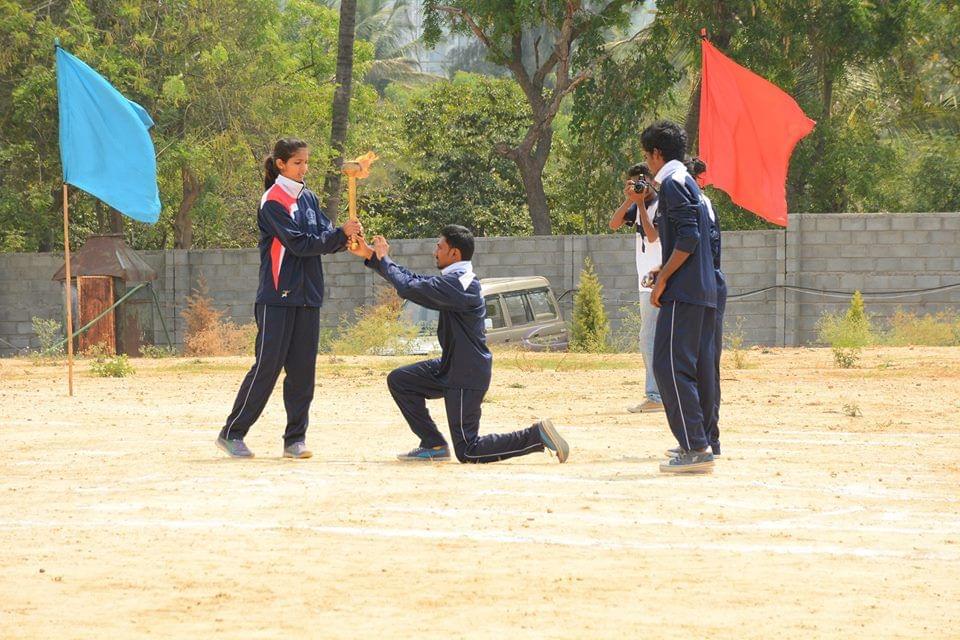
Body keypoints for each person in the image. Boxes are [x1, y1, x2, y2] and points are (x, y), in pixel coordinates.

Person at [347, 225, 570, 464]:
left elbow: (409, 287)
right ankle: (433, 443)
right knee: (401, 381)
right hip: (451, 367)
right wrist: (372, 255)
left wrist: (384, 258)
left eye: (439, 247)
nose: (435, 251)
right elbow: (415, 281)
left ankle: (536, 435)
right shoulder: (454, 280)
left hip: (466, 374)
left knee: (468, 450)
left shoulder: (461, 285)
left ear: (454, 253)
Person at [216, 138, 362, 459]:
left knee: (302, 371)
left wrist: (347, 236)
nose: (304, 168)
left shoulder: (309, 197)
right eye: (298, 163)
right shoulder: (272, 202)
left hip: (308, 296)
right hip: (277, 297)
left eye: (306, 162)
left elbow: (323, 236)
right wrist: (337, 236)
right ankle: (232, 432)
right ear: (281, 164)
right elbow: (299, 243)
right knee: (267, 368)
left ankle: (295, 440)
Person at [641, 121, 718, 473]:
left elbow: (687, 239)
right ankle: (699, 440)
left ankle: (696, 447)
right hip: (700, 289)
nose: (648, 163)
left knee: (669, 366)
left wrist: (663, 281)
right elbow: (691, 241)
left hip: (684, 292)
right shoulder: (689, 183)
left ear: (657, 154)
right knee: (693, 368)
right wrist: (663, 270)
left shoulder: (671, 183)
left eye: (647, 156)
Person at [665, 157, 725, 459]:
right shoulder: (702, 199)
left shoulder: (685, 193)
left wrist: (665, 276)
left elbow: (692, 241)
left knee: (697, 364)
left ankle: (703, 437)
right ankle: (705, 436)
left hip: (701, 282)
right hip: (710, 280)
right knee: (705, 364)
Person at [610, 163, 664, 414]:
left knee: (649, 338)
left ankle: (655, 395)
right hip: (646, 282)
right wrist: (629, 200)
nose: (642, 186)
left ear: (654, 180)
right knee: (652, 339)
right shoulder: (637, 204)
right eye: (636, 183)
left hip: (659, 280)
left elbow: (653, 236)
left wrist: (641, 204)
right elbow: (613, 223)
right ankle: (661, 393)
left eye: (644, 181)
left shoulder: (662, 206)